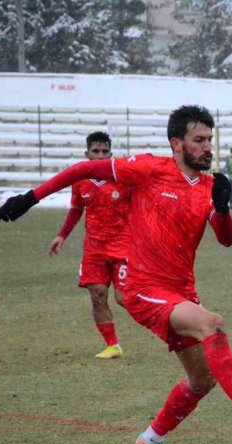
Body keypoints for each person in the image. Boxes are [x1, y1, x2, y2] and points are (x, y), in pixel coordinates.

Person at [0, 105, 232, 444]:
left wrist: (223, 209)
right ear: (177, 144)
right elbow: (86, 169)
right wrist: (31, 197)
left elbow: (226, 240)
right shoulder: (149, 169)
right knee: (211, 323)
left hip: (182, 291)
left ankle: (151, 440)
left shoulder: (210, 185)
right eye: (199, 140)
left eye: (209, 139)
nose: (208, 147)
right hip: (142, 287)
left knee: (202, 380)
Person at [48, 131, 131, 359]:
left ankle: (174, 328)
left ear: (111, 154)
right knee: (97, 294)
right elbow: (76, 209)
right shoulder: (80, 180)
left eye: (105, 151)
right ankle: (113, 345)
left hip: (123, 246)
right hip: (94, 248)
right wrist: (62, 235)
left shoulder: (123, 177)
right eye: (96, 151)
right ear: (87, 154)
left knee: (125, 299)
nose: (100, 155)